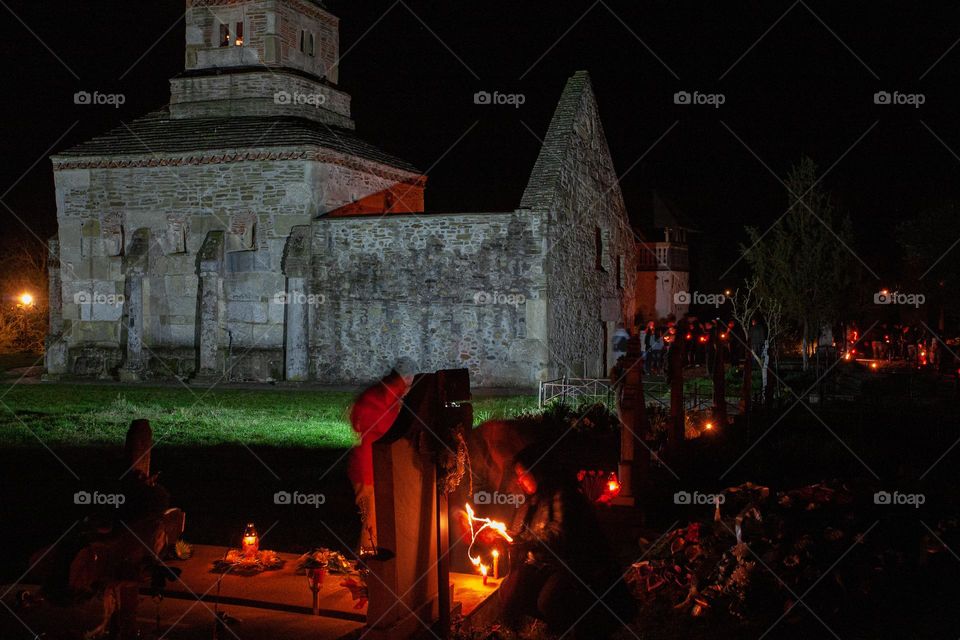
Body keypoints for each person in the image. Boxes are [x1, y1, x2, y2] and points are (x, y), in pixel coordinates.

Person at [499, 446, 633, 638]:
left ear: (537, 471)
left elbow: (558, 535)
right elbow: (521, 532)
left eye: (524, 474)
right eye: (518, 475)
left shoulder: (563, 494)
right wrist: (503, 536)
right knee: (510, 589)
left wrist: (524, 541)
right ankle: (530, 629)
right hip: (546, 564)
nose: (520, 480)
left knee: (549, 600)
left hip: (574, 565)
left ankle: (577, 630)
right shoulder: (534, 498)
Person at [348, 363, 415, 551]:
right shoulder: (381, 401)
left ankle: (370, 559)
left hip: (373, 467)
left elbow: (356, 421)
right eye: (406, 384)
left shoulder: (382, 397)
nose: (406, 389)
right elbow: (387, 430)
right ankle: (368, 562)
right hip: (368, 470)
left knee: (376, 520)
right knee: (372, 522)